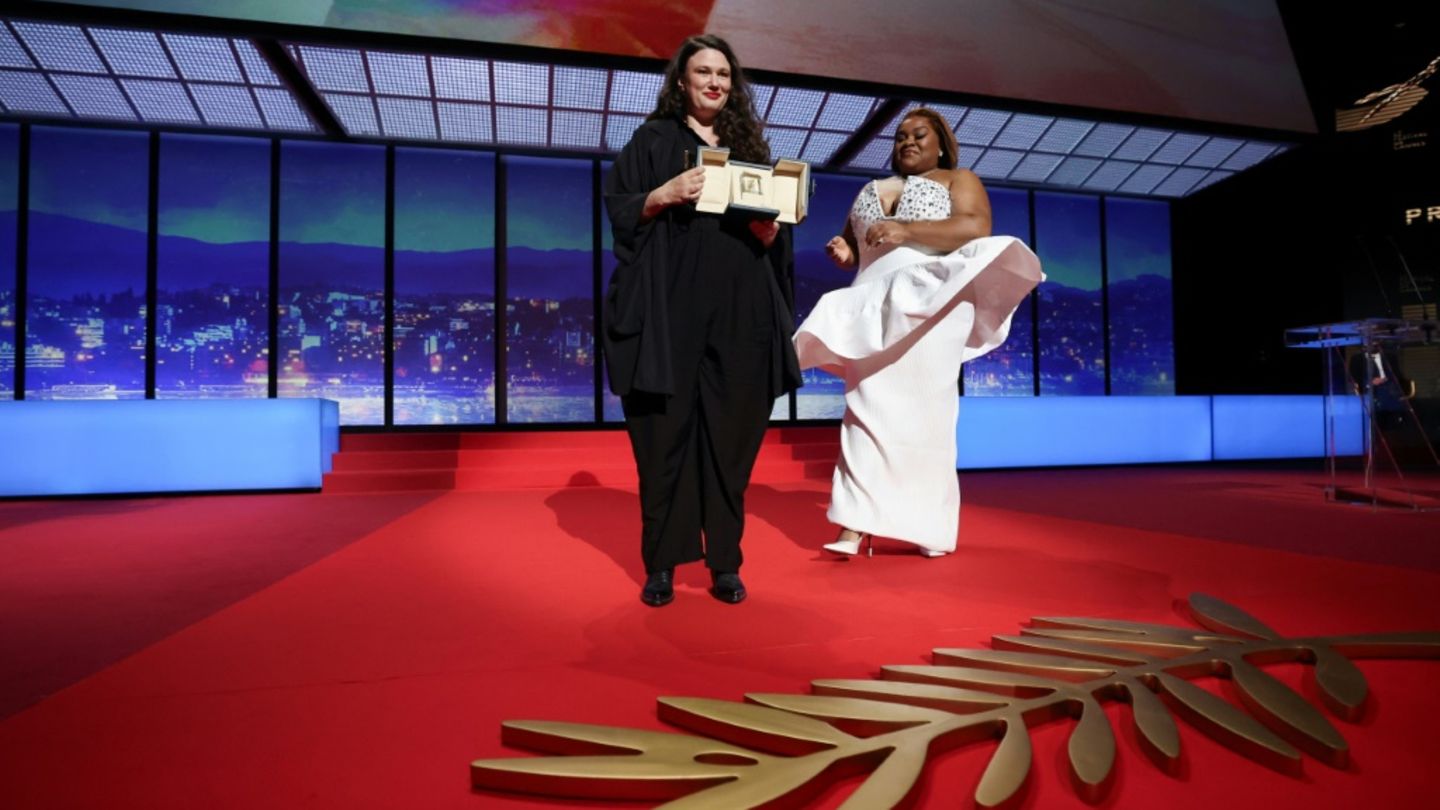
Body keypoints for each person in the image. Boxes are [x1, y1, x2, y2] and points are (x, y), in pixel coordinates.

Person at [603, 34, 802, 606]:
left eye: (723, 73)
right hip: (671, 308)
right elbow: (621, 208)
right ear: (682, 82)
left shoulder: (751, 150)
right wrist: (662, 193)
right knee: (664, 439)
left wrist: (772, 234)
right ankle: (661, 563)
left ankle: (725, 563)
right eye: (702, 72)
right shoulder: (654, 139)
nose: (714, 82)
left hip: (743, 312)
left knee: (731, 442)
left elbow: (777, 236)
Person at [794, 108, 1043, 558]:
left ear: (941, 143)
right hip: (872, 302)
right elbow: (854, 245)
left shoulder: (958, 178)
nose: (907, 141)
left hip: (934, 301)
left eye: (919, 135)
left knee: (927, 418)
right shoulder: (870, 189)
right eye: (900, 136)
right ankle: (854, 523)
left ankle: (927, 525)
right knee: (864, 409)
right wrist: (845, 250)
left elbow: (974, 227)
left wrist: (906, 230)